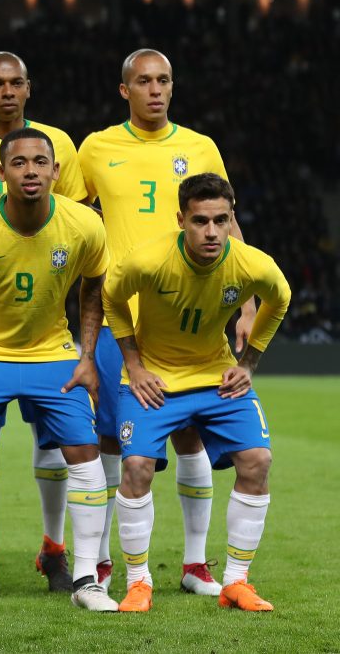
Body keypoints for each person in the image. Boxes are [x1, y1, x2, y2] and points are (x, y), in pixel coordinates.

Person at [77, 48, 257, 594]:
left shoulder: (199, 146)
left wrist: (246, 307)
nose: (155, 90)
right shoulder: (96, 147)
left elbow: (227, 224)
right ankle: (107, 562)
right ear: (124, 90)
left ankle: (195, 565)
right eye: (143, 81)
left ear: (172, 88)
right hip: (121, 318)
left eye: (164, 81)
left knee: (192, 438)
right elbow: (77, 224)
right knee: (115, 441)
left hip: (193, 316)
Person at [0, 127, 117, 613]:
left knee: (85, 454)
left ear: (57, 171)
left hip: (53, 354)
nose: (31, 170)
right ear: (1, 173)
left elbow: (95, 289)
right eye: (19, 163)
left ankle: (85, 579)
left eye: (41, 162)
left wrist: (87, 358)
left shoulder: (84, 225)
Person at [103, 173, 290, 612]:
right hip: (155, 380)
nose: (211, 232)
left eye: (220, 221)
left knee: (258, 460)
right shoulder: (147, 261)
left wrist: (248, 363)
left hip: (215, 377)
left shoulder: (252, 265)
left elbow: (278, 300)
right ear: (181, 221)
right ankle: (138, 583)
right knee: (136, 468)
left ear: (231, 219)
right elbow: (111, 299)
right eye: (200, 221)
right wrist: (134, 363)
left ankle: (236, 582)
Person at [0, 51, 88, 592]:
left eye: (17, 83)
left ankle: (55, 547)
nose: (7, 92)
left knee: (55, 441)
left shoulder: (60, 144)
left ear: (29, 88)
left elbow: (67, 229)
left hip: (45, 324)